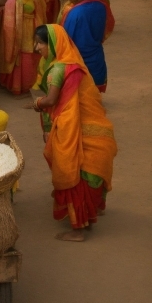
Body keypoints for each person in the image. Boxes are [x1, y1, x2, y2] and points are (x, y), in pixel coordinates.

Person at [31, 24, 117, 241]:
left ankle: (78, 230)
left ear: (52, 44)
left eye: (40, 42)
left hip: (76, 130)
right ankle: (88, 213)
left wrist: (38, 103)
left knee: (72, 172)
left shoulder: (59, 69)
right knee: (86, 174)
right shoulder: (74, 65)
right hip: (95, 130)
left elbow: (51, 100)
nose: (36, 47)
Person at [58, 0, 114, 91]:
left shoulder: (74, 13)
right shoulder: (101, 6)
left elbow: (67, 41)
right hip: (97, 62)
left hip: (79, 65)